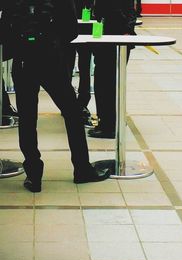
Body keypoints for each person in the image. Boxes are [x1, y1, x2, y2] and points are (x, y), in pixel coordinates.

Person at [2, 0, 110, 192]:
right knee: (72, 113)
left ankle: (34, 175)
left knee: (27, 119)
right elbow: (71, 30)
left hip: (23, 62)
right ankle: (82, 168)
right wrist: (54, 42)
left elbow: (4, 31)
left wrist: (20, 46)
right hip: (51, 59)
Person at [87, 0, 136, 138]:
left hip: (113, 41)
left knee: (105, 84)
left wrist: (126, 30)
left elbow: (121, 13)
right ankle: (110, 121)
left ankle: (109, 125)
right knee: (109, 83)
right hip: (111, 40)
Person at [68, 0, 95, 126]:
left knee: (84, 65)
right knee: (68, 65)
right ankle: (69, 99)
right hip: (69, 25)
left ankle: (82, 101)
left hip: (85, 24)